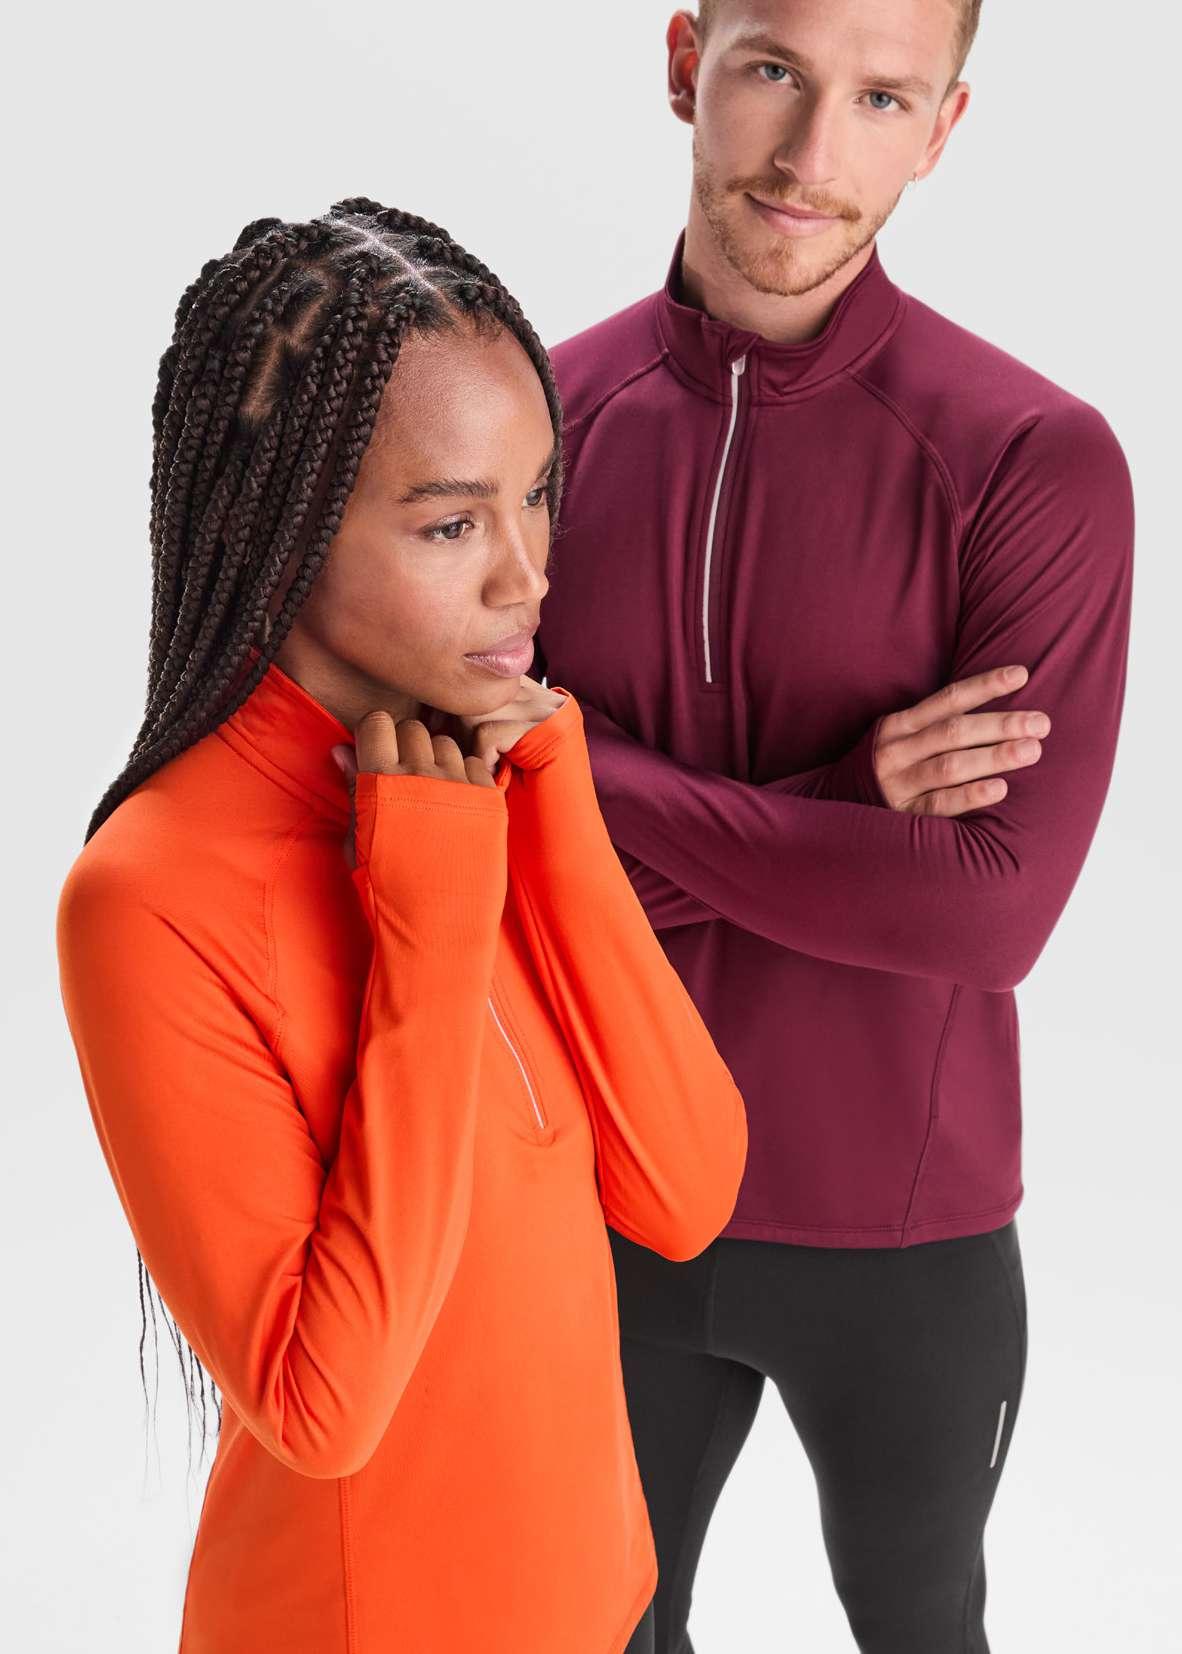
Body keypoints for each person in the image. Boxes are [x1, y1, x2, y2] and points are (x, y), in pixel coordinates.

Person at [54, 197, 750, 1654]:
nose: (526, 574)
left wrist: (553, 798)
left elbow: (685, 1190)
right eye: (451, 523)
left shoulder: (478, 774)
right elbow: (324, 1405)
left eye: (536, 495)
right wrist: (427, 922)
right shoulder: (147, 894)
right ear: (283, 532)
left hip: (613, 1608)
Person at [531, 3, 1135, 1650]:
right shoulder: (530, 428)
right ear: (685, 64)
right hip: (600, 1199)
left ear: (941, 128)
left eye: (878, 97)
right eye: (772, 72)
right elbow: (471, 861)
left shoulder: (1029, 458)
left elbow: (988, 913)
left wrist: (575, 767)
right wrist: (852, 802)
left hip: (904, 1229)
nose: (810, 155)